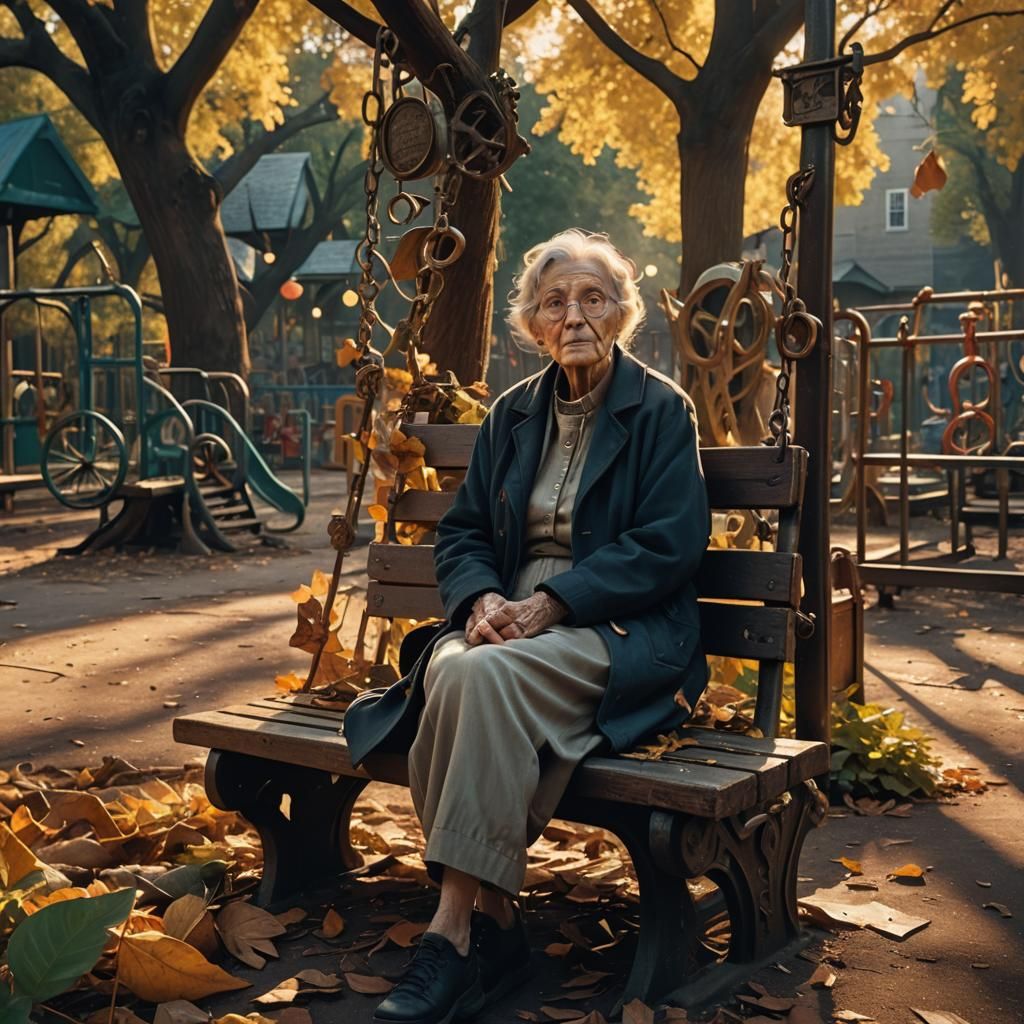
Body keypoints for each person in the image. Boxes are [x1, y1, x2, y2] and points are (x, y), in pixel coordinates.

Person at [344, 229, 710, 1024]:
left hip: (620, 630)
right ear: (534, 325)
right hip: (506, 623)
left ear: (620, 312)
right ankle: (498, 920)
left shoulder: (659, 411)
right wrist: (479, 602)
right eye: (555, 302)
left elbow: (669, 544)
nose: (573, 314)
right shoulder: (513, 414)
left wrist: (554, 603)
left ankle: (450, 933)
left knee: (467, 675)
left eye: (591, 297)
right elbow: (466, 531)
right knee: (453, 667)